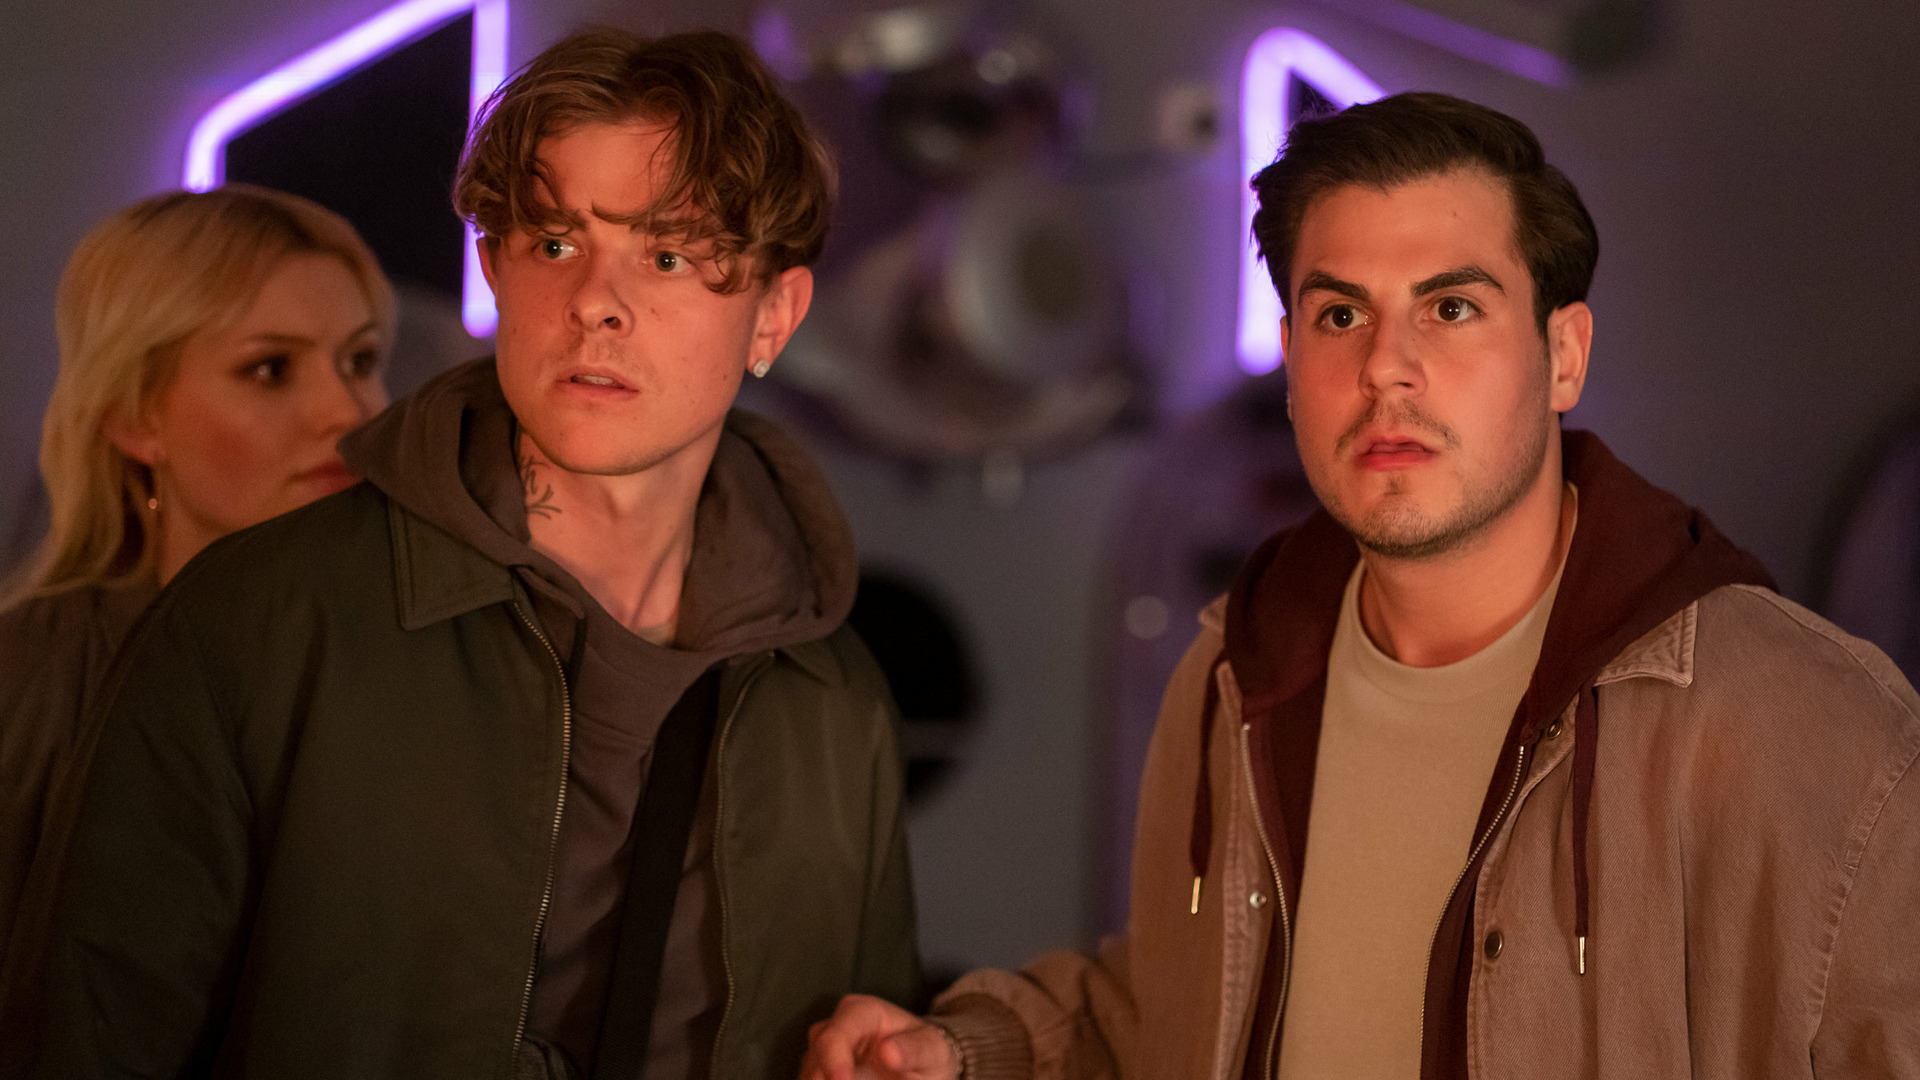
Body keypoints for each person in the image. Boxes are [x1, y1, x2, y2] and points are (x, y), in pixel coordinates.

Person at [802, 92, 1920, 1079]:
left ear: (1565, 355)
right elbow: (1181, 1012)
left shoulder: (1800, 724)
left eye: (1451, 308)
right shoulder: (1236, 675)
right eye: (1341, 315)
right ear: (1292, 363)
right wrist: (964, 1055)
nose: (1386, 365)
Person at [31, 28, 919, 1080]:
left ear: (773, 317)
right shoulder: (260, 622)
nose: (595, 302)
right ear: (495, 270)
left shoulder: (835, 706)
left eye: (667, 255)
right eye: (555, 245)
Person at [0, 184, 393, 952]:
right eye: (271, 369)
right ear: (133, 417)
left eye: (361, 360)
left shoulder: (435, 659)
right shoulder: (33, 680)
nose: (346, 411)